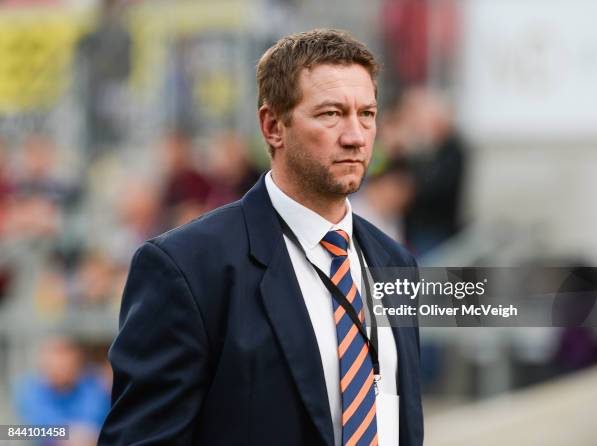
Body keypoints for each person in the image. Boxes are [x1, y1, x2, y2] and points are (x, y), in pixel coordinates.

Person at [99, 29, 423, 446]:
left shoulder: (396, 262)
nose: (356, 136)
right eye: (330, 114)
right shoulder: (187, 267)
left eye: (367, 113)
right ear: (273, 126)